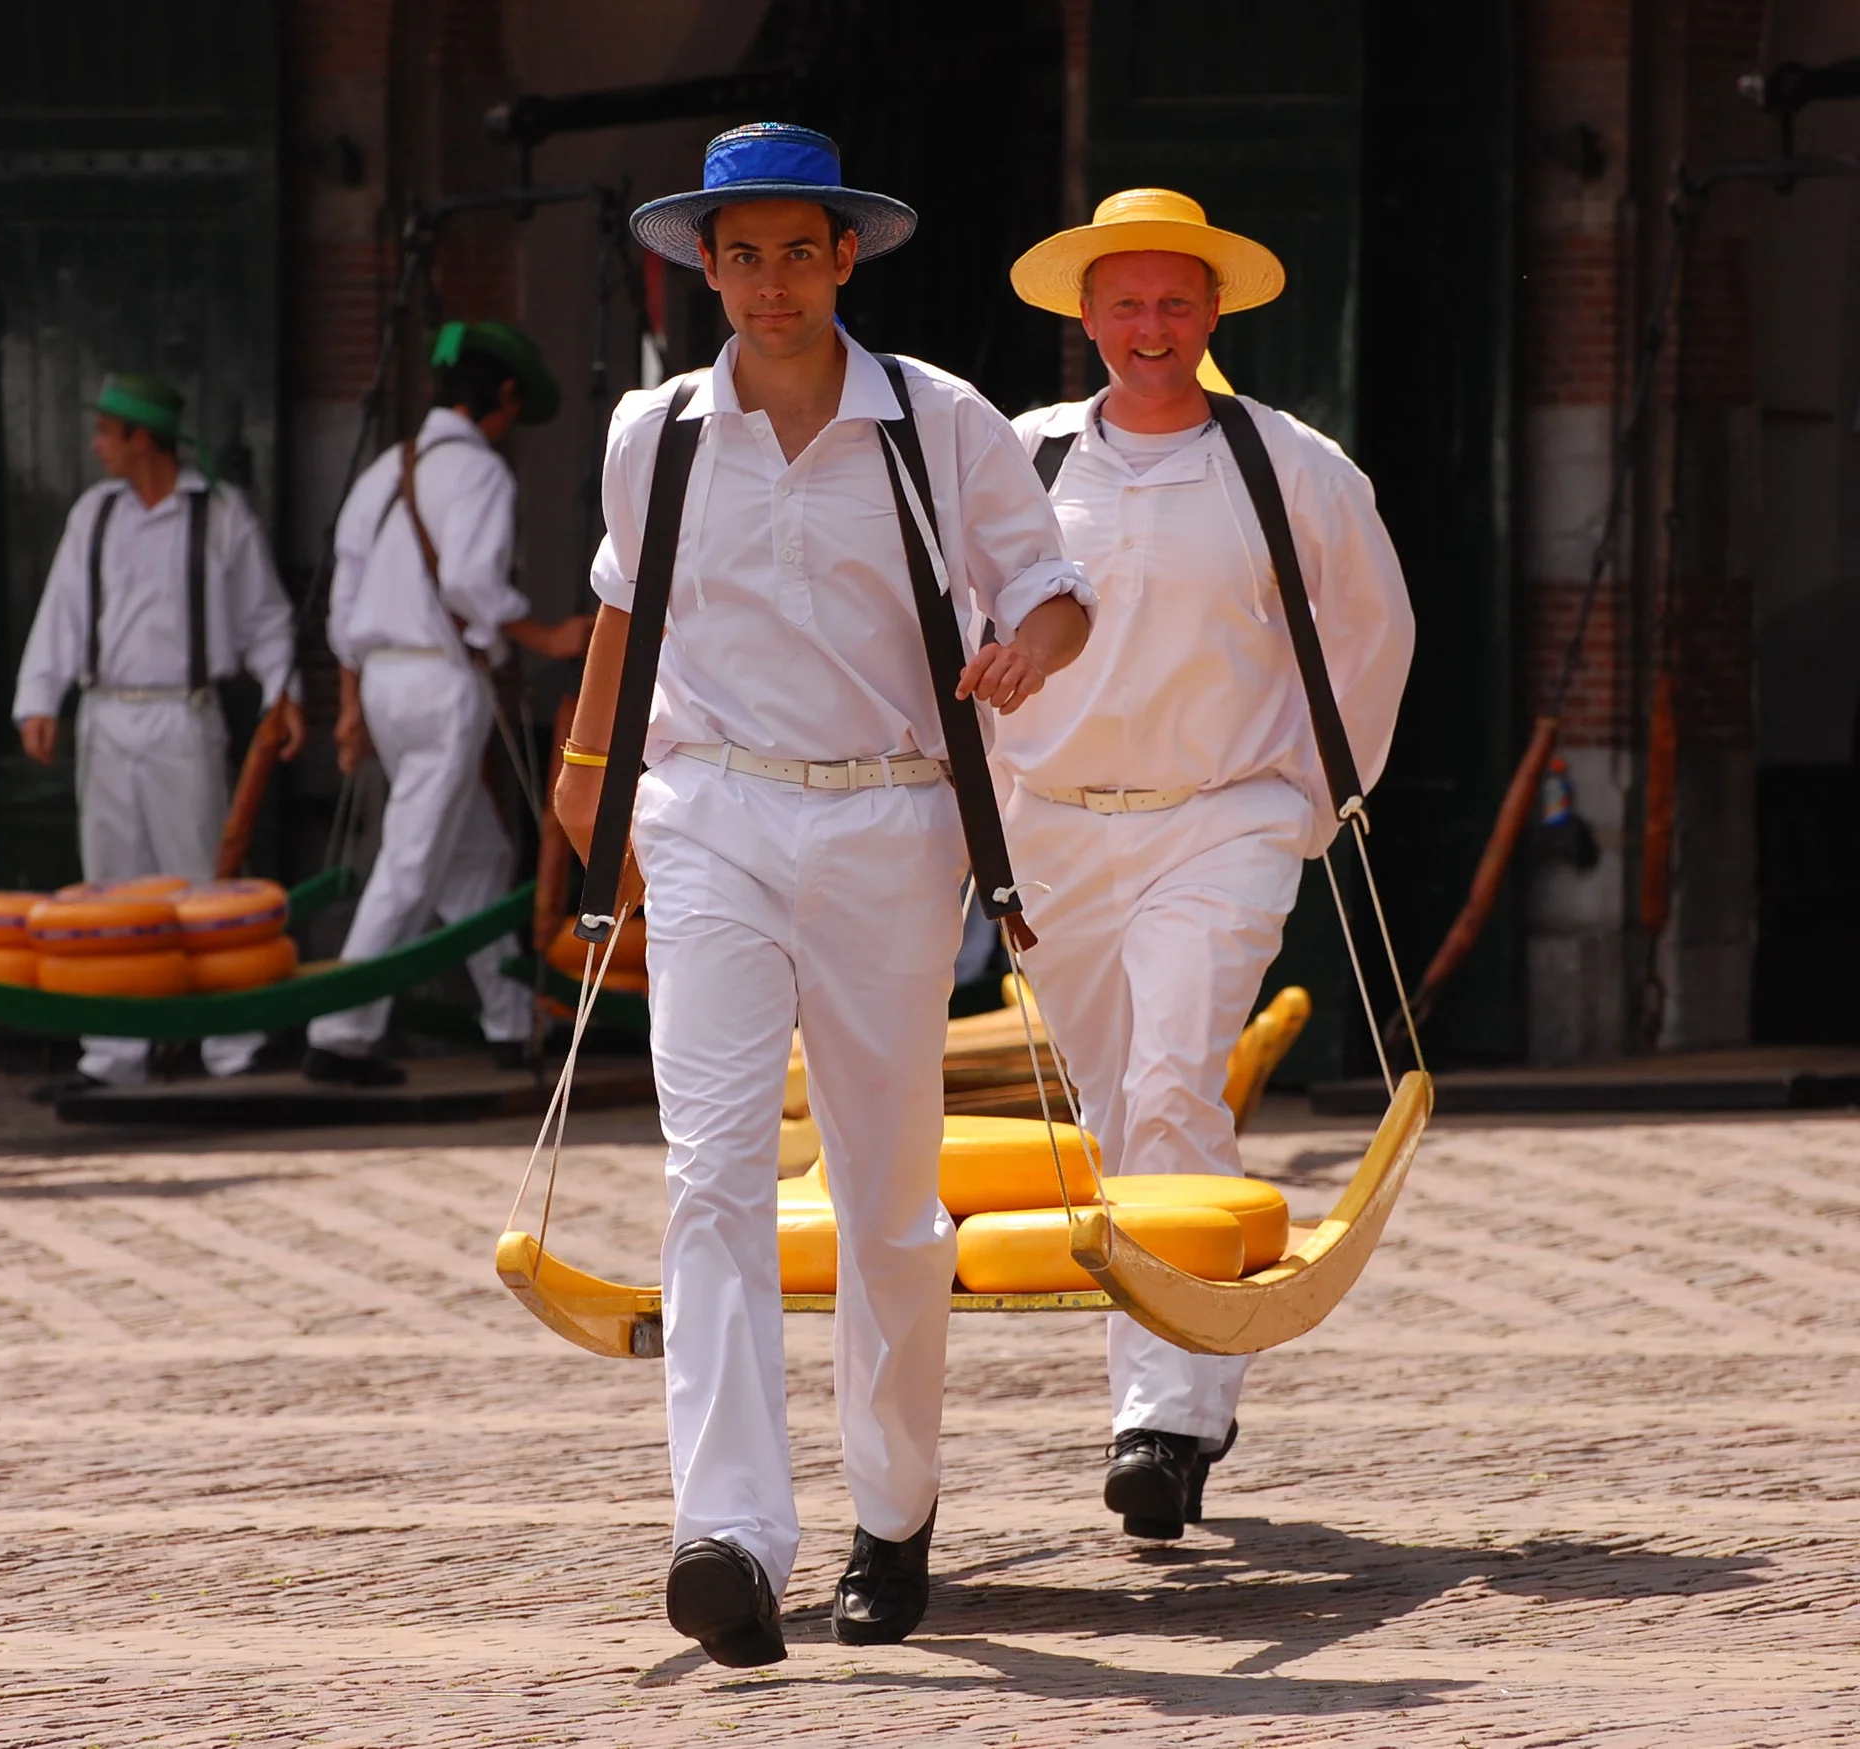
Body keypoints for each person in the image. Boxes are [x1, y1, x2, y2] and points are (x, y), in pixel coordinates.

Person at [553, 124, 1093, 1666]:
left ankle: (896, 1508)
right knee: (709, 1171)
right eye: (743, 255)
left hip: (893, 822)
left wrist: (1024, 653)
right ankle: (727, 1532)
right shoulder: (654, 431)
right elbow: (620, 601)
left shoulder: (938, 420)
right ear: (700, 267)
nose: (771, 282)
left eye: (800, 251)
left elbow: (1053, 590)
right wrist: (590, 777)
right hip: (712, 808)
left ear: (846, 256)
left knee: (883, 1197)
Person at [994, 189, 1415, 1540]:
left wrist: (1304, 793)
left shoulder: (1292, 465)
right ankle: (1200, 1364)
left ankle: (1161, 1418)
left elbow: (1371, 630)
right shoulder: (1023, 461)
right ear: (1085, 314)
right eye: (1126, 303)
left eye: (1177, 302)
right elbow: (950, 633)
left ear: (1215, 311)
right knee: (1123, 1104)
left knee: (1175, 1072)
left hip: (1219, 816)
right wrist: (986, 809)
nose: (1151, 327)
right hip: (1055, 825)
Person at [305, 321, 591, 1087]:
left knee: (479, 857)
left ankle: (508, 1017)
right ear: (501, 396)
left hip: (385, 680)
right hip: (440, 682)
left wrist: (349, 704)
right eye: (512, 409)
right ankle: (340, 1028)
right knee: (412, 855)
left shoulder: (383, 472)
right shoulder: (481, 474)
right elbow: (471, 581)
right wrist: (548, 634)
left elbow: (343, 603)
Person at [13, 372, 305, 1091]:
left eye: (107, 433)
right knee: (111, 885)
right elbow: (64, 609)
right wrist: (39, 699)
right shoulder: (96, 514)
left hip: (185, 713)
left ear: (142, 439)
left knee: (202, 880)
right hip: (108, 713)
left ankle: (226, 1047)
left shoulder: (221, 515)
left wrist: (282, 694)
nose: (97, 446)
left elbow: (268, 617)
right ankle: (114, 1054)